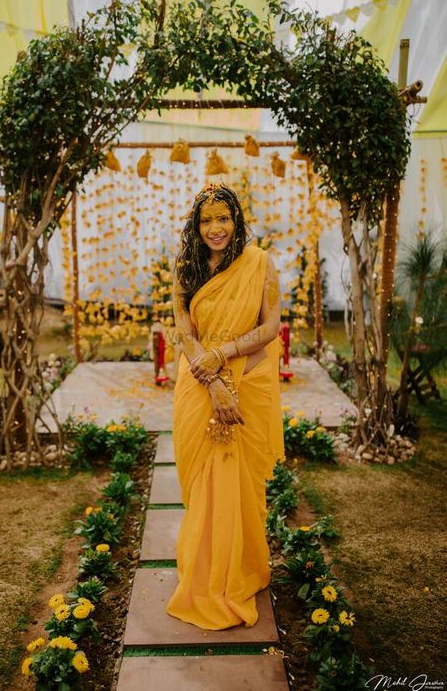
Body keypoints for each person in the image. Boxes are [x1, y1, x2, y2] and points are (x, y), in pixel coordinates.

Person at [166, 182, 284, 631]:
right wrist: (212, 379)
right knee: (201, 481)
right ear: (196, 226)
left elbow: (270, 326)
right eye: (207, 220)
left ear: (236, 221)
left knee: (237, 481)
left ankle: (238, 572)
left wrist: (224, 355)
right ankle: (201, 570)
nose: (216, 228)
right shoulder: (186, 267)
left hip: (245, 377)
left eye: (224, 218)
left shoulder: (259, 263)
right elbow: (184, 332)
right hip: (197, 381)